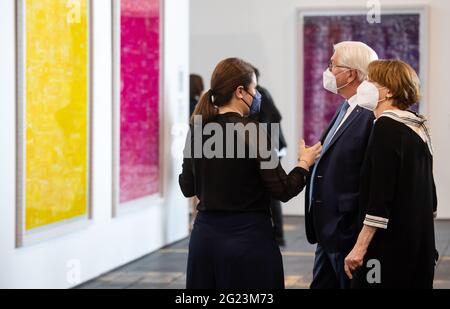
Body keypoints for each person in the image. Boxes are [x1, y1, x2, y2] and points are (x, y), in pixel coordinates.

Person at [179, 58, 322, 289]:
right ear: (240, 91)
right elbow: (283, 189)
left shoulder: (197, 128)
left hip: (204, 242)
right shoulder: (251, 131)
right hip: (247, 242)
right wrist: (304, 164)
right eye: (254, 89)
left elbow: (187, 187)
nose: (257, 95)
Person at [344, 60, 438, 289]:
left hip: (387, 249)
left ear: (389, 91)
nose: (364, 85)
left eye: (370, 81)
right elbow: (431, 199)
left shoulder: (386, 128)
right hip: (417, 244)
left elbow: (380, 197)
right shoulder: (417, 128)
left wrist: (359, 248)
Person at [305, 41, 378, 289]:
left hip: (346, 230)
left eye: (333, 65)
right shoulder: (346, 106)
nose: (328, 71)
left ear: (352, 74)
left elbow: (371, 176)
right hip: (327, 230)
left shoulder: (369, 115)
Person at [250, 67, 288, 247]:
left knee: (273, 193)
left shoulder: (259, 94)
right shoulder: (259, 94)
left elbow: (272, 119)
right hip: (271, 147)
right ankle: (276, 234)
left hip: (271, 147)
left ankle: (278, 234)